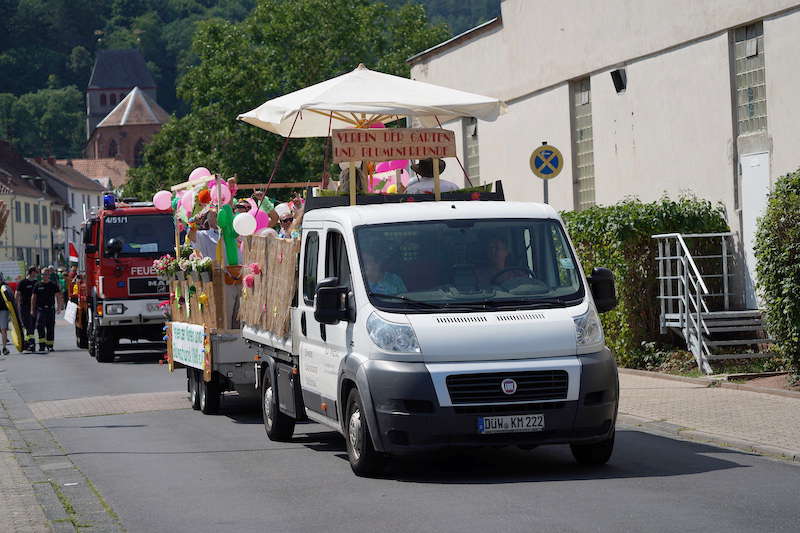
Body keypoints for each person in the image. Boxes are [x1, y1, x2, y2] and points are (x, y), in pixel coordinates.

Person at [31, 266, 62, 352]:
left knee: (50, 327)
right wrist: (32, 309)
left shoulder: (53, 285)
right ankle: (42, 345)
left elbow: (58, 296)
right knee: (40, 326)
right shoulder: (37, 285)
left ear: (49, 275)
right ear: (41, 275)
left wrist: (59, 307)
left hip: (50, 309)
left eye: (46, 274)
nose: (45, 276)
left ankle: (50, 345)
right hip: (40, 309)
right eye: (43, 274)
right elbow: (33, 298)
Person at [16, 267, 38, 352]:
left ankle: (30, 343)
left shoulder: (36, 283)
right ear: (31, 272)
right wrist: (16, 306)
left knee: (31, 326)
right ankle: (30, 343)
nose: (36, 274)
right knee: (27, 325)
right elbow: (17, 294)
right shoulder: (22, 282)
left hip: (34, 307)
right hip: (24, 307)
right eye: (35, 272)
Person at [0, 276, 9, 355]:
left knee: (3, 329)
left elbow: (10, 298)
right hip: (3, 310)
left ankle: (4, 348)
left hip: (3, 310)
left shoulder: (5, 287)